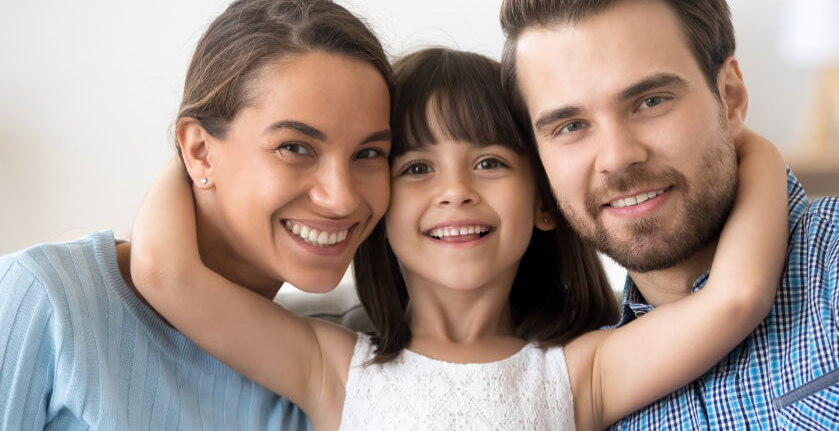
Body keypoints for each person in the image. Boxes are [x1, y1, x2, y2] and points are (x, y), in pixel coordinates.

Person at [130, 47, 788, 430]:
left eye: (490, 162)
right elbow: (166, 273)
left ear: (546, 204)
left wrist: (746, 142)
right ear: (378, 204)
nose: (455, 190)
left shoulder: (582, 373)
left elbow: (735, 297)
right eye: (415, 168)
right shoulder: (329, 367)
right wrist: (198, 151)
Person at [0, 0, 393, 430]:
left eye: (369, 154)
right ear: (200, 152)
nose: (341, 198)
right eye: (295, 147)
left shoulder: (325, 367)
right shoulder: (43, 298)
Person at [499, 0, 839, 430]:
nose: (617, 158)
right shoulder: (573, 392)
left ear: (731, 97)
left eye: (650, 101)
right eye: (570, 126)